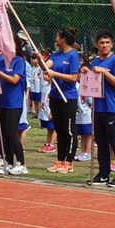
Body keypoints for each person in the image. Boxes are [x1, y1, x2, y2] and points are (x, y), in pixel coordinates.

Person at [82, 30, 115, 188]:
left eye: (107, 42)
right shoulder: (95, 62)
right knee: (101, 143)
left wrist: (104, 72)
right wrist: (86, 72)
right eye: (101, 43)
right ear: (97, 45)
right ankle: (103, 173)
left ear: (112, 44)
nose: (104, 45)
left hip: (112, 108)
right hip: (98, 107)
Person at [37, 28, 80, 174]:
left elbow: (74, 77)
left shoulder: (73, 56)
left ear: (63, 39)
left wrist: (55, 74)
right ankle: (60, 159)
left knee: (69, 131)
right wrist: (39, 60)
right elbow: (46, 67)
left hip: (68, 97)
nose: (56, 39)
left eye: (57, 37)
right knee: (60, 130)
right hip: (55, 96)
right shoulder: (56, 55)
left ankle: (69, 161)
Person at [0, 34, 28, 175]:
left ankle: (21, 163)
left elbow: (15, 80)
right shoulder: (2, 62)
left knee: (11, 134)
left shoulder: (19, 61)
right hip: (2, 101)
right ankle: (9, 162)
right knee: (4, 134)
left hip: (14, 103)